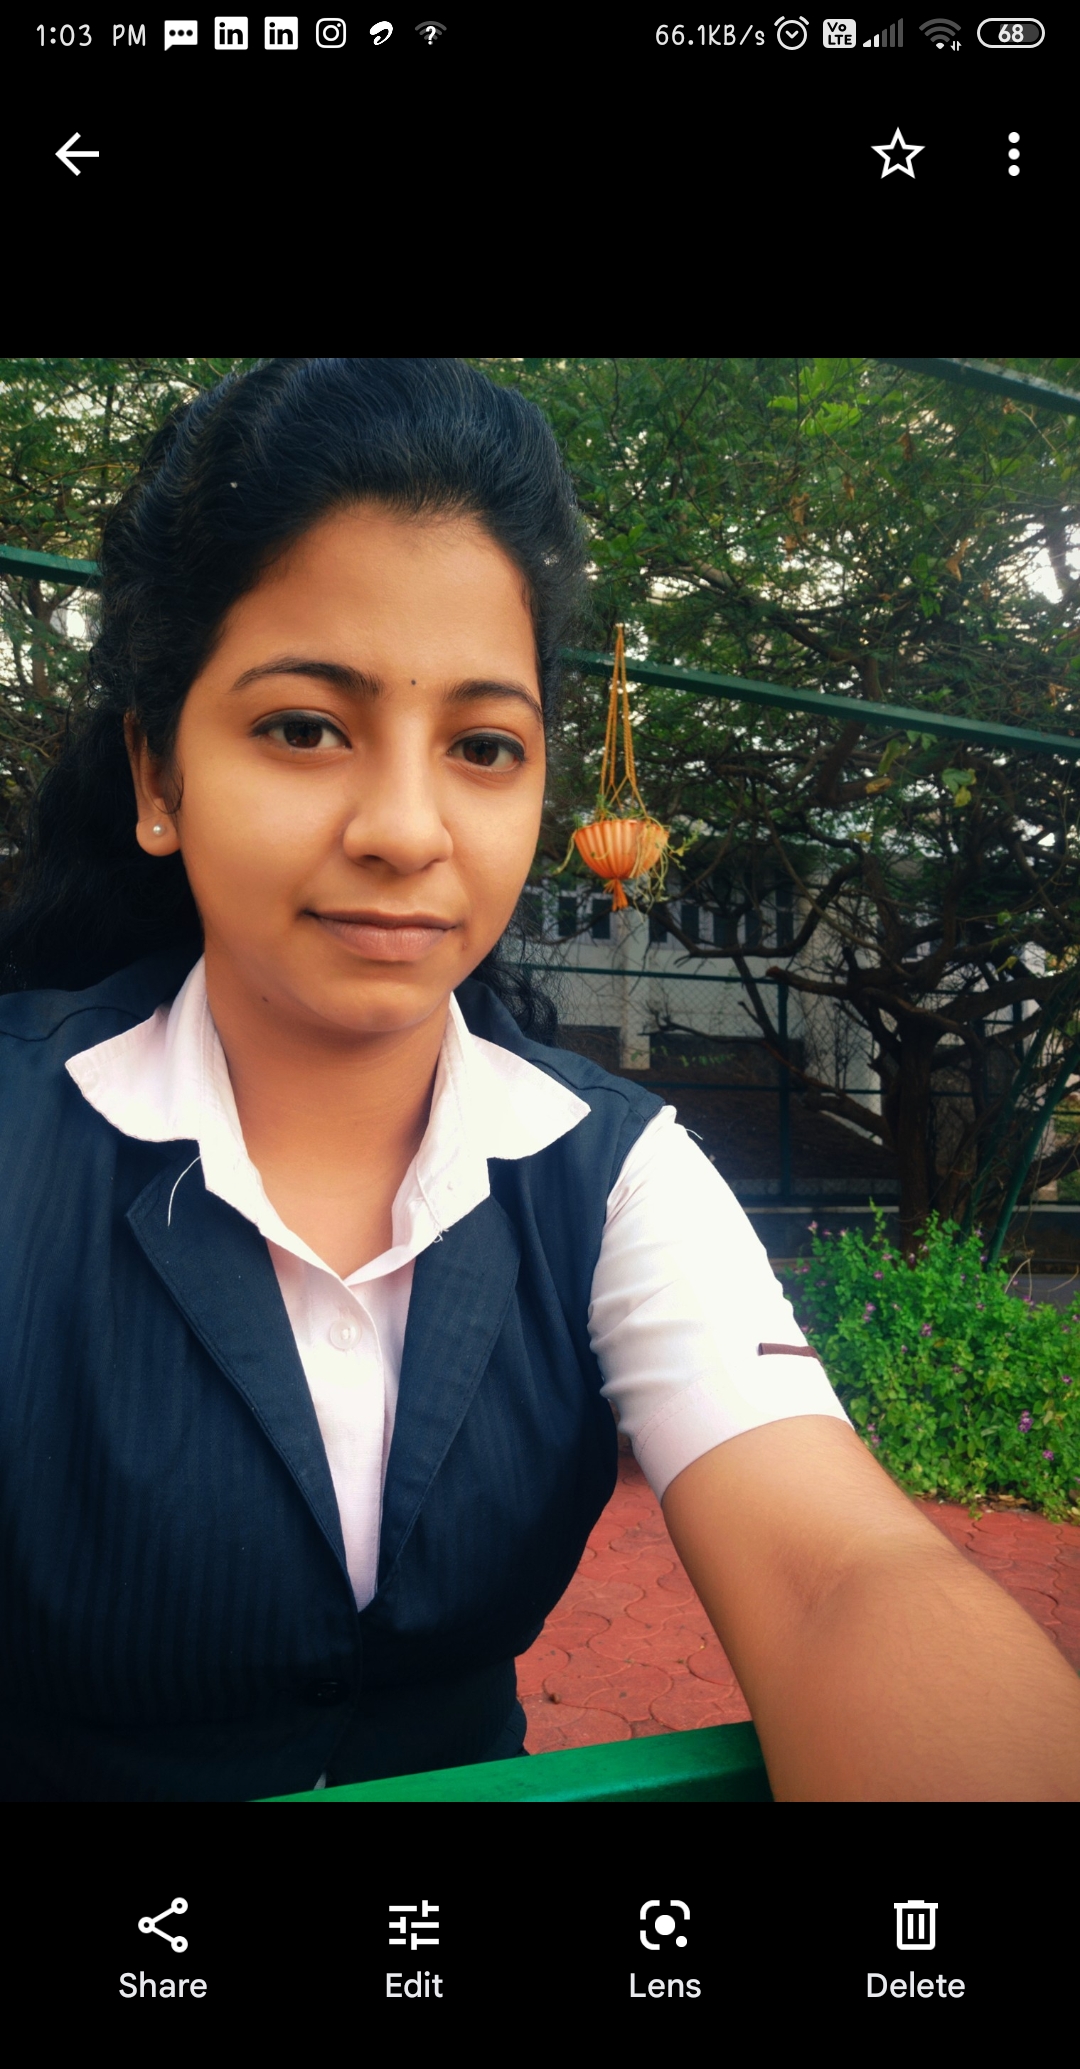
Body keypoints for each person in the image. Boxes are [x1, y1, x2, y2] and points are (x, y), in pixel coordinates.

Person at [1, 357, 1078, 1804]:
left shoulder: (609, 1173)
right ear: (157, 774)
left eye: (483, 746)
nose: (406, 830)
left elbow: (840, 1573)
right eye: (305, 728)